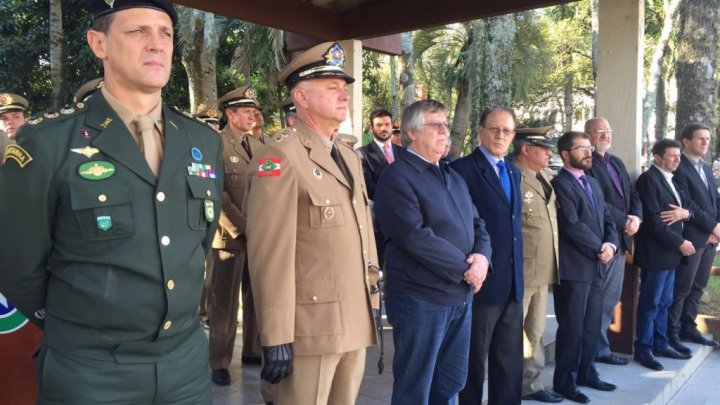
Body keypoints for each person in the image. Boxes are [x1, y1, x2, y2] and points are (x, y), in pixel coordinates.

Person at [0, 1, 223, 403]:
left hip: (185, 365)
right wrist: (74, 327)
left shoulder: (202, 141)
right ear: (98, 43)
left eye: (166, 33)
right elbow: (16, 264)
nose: (157, 44)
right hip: (90, 371)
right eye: (139, 31)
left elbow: (199, 244)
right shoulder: (48, 142)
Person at [244, 41, 379, 405]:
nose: (343, 95)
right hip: (310, 326)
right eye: (332, 87)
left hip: (353, 316)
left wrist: (373, 290)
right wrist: (275, 334)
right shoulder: (281, 155)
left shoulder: (349, 155)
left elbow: (361, 229)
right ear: (301, 98)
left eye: (344, 87)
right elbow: (268, 253)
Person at [374, 99, 491, 405]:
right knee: (416, 386)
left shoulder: (453, 176)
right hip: (420, 298)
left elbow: (478, 224)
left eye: (445, 124)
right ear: (412, 133)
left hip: (459, 296)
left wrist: (482, 258)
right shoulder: (397, 176)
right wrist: (466, 268)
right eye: (435, 125)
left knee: (450, 383)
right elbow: (414, 237)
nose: (444, 131)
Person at [452, 107, 524, 405]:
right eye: (494, 129)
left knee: (509, 362)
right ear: (480, 131)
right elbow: (460, 226)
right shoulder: (461, 170)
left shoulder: (513, 171)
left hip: (512, 283)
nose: (500, 135)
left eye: (507, 131)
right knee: (472, 362)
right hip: (482, 282)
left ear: (513, 137)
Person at [551, 131, 618, 404]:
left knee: (591, 325)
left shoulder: (592, 182)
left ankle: (587, 372)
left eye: (589, 148)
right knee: (572, 328)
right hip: (574, 268)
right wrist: (598, 248)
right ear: (566, 154)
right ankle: (564, 381)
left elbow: (607, 217)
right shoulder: (561, 184)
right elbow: (570, 224)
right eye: (582, 148)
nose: (589, 152)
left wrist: (611, 244)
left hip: (597, 266)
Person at [206, 85, 263, 386]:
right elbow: (217, 195)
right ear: (230, 114)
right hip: (230, 238)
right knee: (225, 302)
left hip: (257, 237)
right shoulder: (216, 144)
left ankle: (252, 350)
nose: (253, 115)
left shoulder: (257, 144)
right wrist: (246, 228)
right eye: (246, 111)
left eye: (253, 111)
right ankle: (218, 359)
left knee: (255, 297)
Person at [511, 127, 563, 403]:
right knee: (514, 333)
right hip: (522, 269)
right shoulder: (513, 176)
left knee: (536, 331)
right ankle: (510, 384)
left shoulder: (543, 176)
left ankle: (531, 383)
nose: (549, 153)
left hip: (543, 268)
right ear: (525, 150)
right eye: (544, 149)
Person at [633, 139, 695, 371]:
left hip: (670, 255)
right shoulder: (648, 180)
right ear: (656, 157)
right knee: (651, 303)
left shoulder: (673, 180)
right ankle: (644, 349)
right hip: (656, 253)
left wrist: (686, 214)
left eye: (679, 155)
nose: (678, 159)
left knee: (665, 301)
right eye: (672, 155)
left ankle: (661, 342)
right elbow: (652, 221)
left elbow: (687, 209)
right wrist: (680, 242)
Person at [584, 117, 641, 366]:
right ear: (588, 135)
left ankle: (600, 347)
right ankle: (594, 350)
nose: (606, 136)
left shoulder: (615, 162)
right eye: (599, 132)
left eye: (608, 131)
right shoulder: (587, 163)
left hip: (620, 239)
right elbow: (595, 200)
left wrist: (636, 217)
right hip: (602, 240)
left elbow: (633, 193)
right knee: (599, 299)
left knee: (610, 297)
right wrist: (623, 220)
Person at [667, 123, 720, 349]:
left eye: (707, 139)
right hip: (692, 237)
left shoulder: (706, 168)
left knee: (698, 286)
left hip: (710, 238)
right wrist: (713, 228)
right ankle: (672, 333)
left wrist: (717, 227)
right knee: (683, 287)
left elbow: (715, 201)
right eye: (700, 138)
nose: (705, 142)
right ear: (686, 141)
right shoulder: (679, 169)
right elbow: (687, 204)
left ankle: (688, 326)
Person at [356, 108, 405, 200]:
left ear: (391, 126)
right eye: (379, 125)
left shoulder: (404, 152)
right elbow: (367, 186)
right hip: (380, 208)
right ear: (371, 128)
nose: (383, 128)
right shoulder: (362, 154)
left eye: (387, 124)